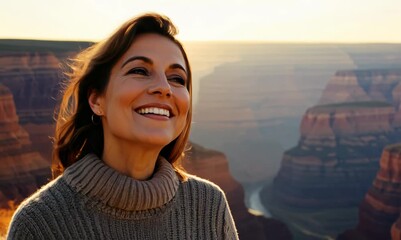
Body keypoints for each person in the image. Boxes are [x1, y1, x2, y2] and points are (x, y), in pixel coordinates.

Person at [7, 13, 238, 239]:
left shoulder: (209, 207)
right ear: (97, 100)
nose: (164, 87)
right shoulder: (39, 223)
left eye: (177, 78)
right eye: (139, 71)